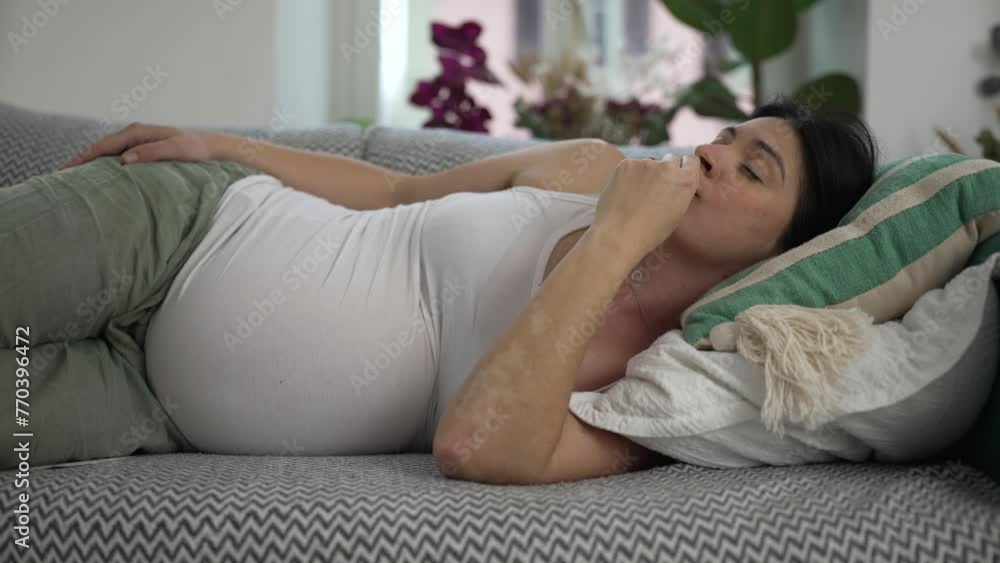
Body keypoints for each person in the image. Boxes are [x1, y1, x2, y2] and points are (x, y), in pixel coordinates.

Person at [0, 95, 877, 483]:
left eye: (752, 169)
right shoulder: (589, 165)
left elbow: (473, 444)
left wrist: (618, 239)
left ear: (779, 256)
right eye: (728, 136)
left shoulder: (658, 388)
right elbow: (394, 190)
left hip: (146, 406)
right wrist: (221, 146)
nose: (712, 153)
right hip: (178, 226)